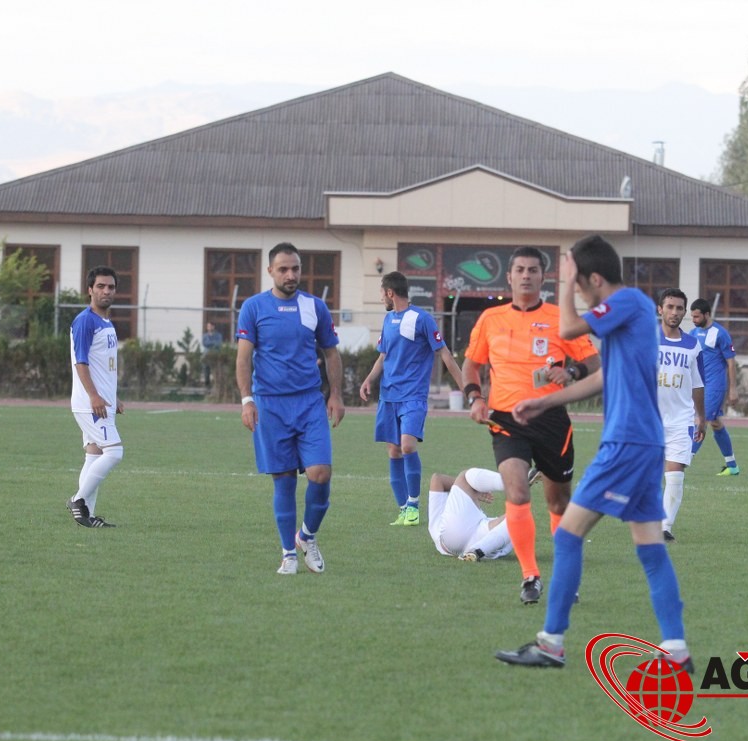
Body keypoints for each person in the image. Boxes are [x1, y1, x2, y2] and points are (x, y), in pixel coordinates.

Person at [496, 234, 691, 672]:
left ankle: (551, 643)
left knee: (568, 535)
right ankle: (676, 649)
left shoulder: (627, 301)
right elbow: (602, 378)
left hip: (626, 443)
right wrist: (544, 401)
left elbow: (566, 329)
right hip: (643, 443)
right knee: (650, 549)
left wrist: (564, 282)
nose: (580, 293)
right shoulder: (630, 314)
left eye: (581, 285)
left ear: (595, 279)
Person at [461, 245, 600, 605]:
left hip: (552, 420)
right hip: (506, 420)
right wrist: (475, 398)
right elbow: (471, 365)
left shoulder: (561, 319)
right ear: (509, 277)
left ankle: (566, 578)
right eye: (520, 270)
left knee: (558, 503)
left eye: (533, 270)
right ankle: (530, 576)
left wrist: (571, 372)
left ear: (543, 277)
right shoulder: (490, 319)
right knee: (517, 491)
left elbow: (593, 361)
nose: (526, 275)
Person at [235, 242, 346, 575]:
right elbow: (243, 358)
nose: (290, 275)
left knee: (320, 473)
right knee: (283, 481)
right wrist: (247, 400)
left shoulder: (314, 306)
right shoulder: (253, 307)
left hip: (309, 402)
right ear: (270, 271)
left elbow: (331, 353)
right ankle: (288, 554)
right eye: (283, 269)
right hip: (270, 405)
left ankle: (307, 537)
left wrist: (336, 395)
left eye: (295, 268)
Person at [360, 271, 465, 526]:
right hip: (389, 396)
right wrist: (369, 379)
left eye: (381, 293)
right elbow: (383, 356)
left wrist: (467, 387)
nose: (381, 298)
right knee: (394, 450)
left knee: (407, 445)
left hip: (413, 396)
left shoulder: (422, 319)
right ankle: (404, 509)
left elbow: (445, 354)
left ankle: (414, 506)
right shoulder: (388, 320)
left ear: (390, 293)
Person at [66, 266, 123, 528]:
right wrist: (94, 396)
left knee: (94, 455)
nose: (106, 291)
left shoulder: (106, 322)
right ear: (90, 290)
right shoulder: (85, 321)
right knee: (115, 452)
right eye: (100, 286)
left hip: (102, 402)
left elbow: (105, 366)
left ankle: (86, 515)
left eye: (110, 287)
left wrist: (113, 396)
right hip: (91, 404)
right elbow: (81, 362)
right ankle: (78, 500)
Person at [657, 289, 706, 542]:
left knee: (675, 473)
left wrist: (701, 417)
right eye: (670, 307)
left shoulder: (693, 345)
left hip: (681, 420)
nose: (674, 312)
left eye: (679, 308)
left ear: (685, 312)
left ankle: (665, 527)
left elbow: (698, 384)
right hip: (648, 420)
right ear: (660, 310)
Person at [689, 299, 740, 476]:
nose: (694, 320)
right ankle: (732, 466)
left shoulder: (720, 333)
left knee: (700, 421)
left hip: (715, 386)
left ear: (707, 314)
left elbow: (731, 362)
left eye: (697, 317)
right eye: (692, 317)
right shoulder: (693, 333)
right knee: (716, 423)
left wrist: (733, 388)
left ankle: (683, 463)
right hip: (698, 387)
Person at [428, 468, 515, 561]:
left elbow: (437, 479)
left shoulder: (442, 523)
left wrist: (472, 489)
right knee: (519, 515)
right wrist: (475, 489)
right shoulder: (471, 517)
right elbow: (437, 479)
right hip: (489, 542)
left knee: (465, 478)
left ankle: (477, 551)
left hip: (452, 539)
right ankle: (515, 483)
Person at [201, 321, 223, 387]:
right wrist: (213, 343)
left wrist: (210, 343)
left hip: (215, 355)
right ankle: (207, 383)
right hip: (206, 355)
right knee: (206, 369)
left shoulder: (218, 335)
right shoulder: (205, 336)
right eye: (208, 326)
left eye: (210, 326)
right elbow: (204, 343)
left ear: (213, 327)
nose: (209, 328)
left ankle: (217, 384)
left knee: (216, 370)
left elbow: (218, 344)